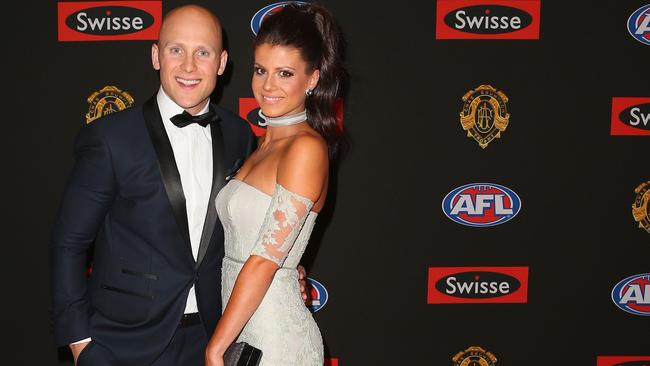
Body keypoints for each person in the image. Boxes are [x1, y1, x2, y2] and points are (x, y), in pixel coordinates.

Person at [50, 5, 308, 366]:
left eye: (202, 52)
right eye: (176, 50)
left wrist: (285, 271)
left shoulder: (239, 135)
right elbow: (69, 243)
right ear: (156, 55)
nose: (189, 66)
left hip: (209, 338)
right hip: (123, 343)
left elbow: (252, 226)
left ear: (221, 62)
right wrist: (80, 344)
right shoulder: (110, 139)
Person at [205, 3, 347, 366]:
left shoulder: (306, 149)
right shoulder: (259, 146)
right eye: (260, 70)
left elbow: (264, 262)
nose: (267, 86)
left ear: (312, 78)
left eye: (285, 73)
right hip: (242, 333)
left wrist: (215, 348)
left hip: (276, 341)